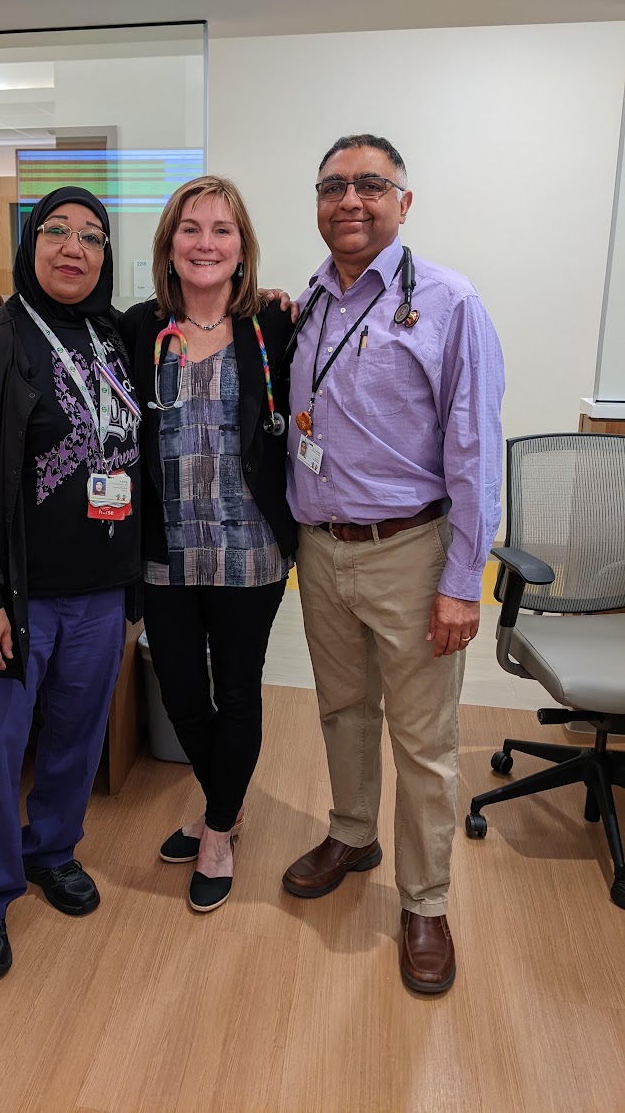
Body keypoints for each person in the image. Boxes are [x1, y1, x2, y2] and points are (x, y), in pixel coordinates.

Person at [280, 135, 504, 994]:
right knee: (341, 709)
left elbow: (474, 449)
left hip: (412, 553)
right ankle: (351, 831)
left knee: (426, 741)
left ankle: (425, 900)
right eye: (334, 185)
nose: (351, 200)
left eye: (371, 184)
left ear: (403, 201)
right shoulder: (309, 303)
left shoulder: (449, 301)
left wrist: (460, 582)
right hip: (321, 549)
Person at [0, 186, 142, 981]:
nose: (73, 247)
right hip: (10, 598)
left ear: (106, 254)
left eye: (91, 235)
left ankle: (51, 849)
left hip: (98, 590)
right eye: (57, 232)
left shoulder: (114, 339)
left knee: (76, 742)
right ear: (31, 244)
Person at [121, 175, 296, 913]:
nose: (205, 242)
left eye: (222, 230)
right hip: (166, 548)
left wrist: (290, 299)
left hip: (250, 549)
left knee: (238, 692)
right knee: (184, 696)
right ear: (168, 245)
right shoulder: (135, 329)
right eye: (190, 228)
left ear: (242, 248)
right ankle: (226, 798)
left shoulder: (274, 328)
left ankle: (217, 826)